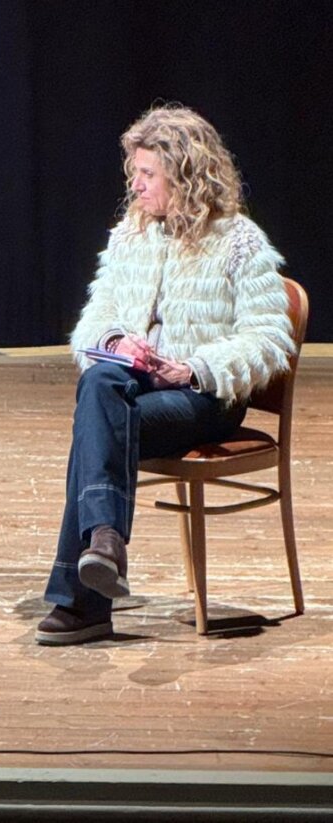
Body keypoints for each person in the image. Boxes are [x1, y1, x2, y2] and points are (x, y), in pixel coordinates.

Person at [36, 104, 297, 645]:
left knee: (97, 426)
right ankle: (105, 542)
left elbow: (271, 340)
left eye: (147, 173)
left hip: (203, 399)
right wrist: (114, 341)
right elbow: (93, 319)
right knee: (99, 387)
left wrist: (194, 367)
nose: (136, 184)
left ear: (185, 173)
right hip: (133, 385)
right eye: (134, 172)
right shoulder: (131, 236)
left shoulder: (238, 242)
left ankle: (85, 598)